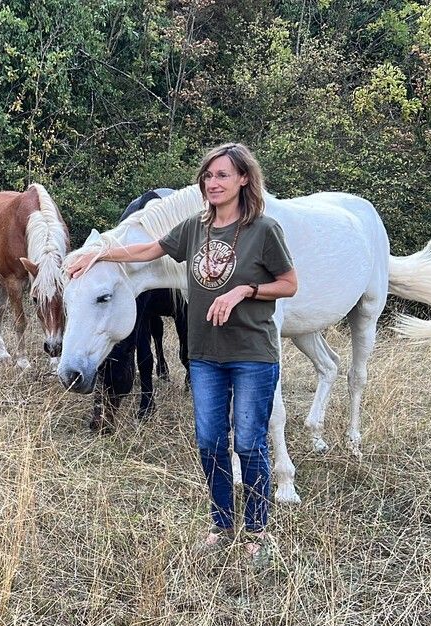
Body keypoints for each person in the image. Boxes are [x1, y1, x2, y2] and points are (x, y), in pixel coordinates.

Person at [67, 143, 297, 563]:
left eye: (222, 175)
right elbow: (146, 251)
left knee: (248, 444)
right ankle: (223, 525)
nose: (213, 183)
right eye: (208, 176)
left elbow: (289, 284)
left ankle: (259, 533)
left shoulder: (264, 230)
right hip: (205, 356)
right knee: (210, 444)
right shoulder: (194, 228)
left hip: (252, 355)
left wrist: (247, 290)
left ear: (244, 179)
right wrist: (99, 252)